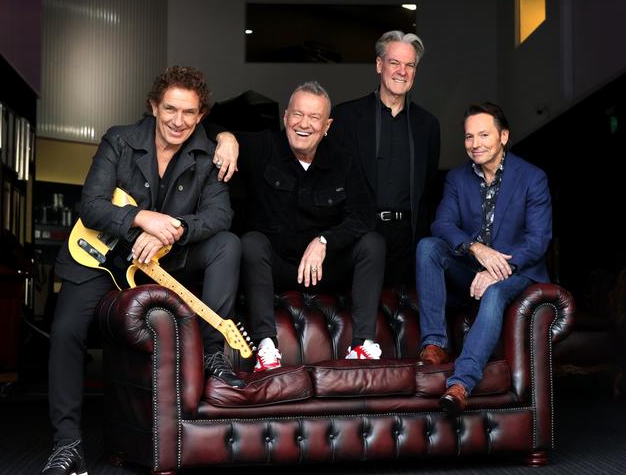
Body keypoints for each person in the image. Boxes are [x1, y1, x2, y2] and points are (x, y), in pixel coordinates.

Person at [41, 66, 244, 475]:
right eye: (170, 108)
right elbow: (92, 204)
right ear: (154, 106)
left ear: (201, 114)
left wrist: (175, 231)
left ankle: (213, 354)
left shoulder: (207, 155)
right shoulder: (119, 139)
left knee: (228, 245)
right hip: (99, 261)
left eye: (189, 112)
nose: (178, 120)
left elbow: (221, 215)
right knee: (65, 333)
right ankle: (67, 445)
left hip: (161, 262)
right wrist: (142, 218)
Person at [233, 81, 386, 370]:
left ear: (327, 125)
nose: (304, 124)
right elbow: (206, 132)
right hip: (276, 269)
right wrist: (228, 139)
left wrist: (325, 240)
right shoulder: (263, 147)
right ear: (286, 118)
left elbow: (363, 216)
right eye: (298, 115)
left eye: (314, 118)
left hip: (324, 270)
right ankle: (266, 347)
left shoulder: (344, 161)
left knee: (372, 243)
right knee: (251, 241)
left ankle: (362, 345)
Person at [416, 102, 552, 415]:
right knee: (428, 246)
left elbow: (538, 240)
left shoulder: (532, 178)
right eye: (468, 137)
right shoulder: (456, 178)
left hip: (519, 269)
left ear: (504, 136)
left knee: (493, 292)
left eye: (483, 135)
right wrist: (476, 249)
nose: (475, 144)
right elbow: (443, 224)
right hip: (472, 267)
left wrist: (499, 269)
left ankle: (460, 384)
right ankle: (434, 345)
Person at [329, 30, 440, 288]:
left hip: (408, 241)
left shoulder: (428, 125)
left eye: (410, 65)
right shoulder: (346, 117)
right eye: (394, 62)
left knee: (403, 319)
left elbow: (429, 190)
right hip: (360, 237)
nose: (402, 71)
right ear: (379, 65)